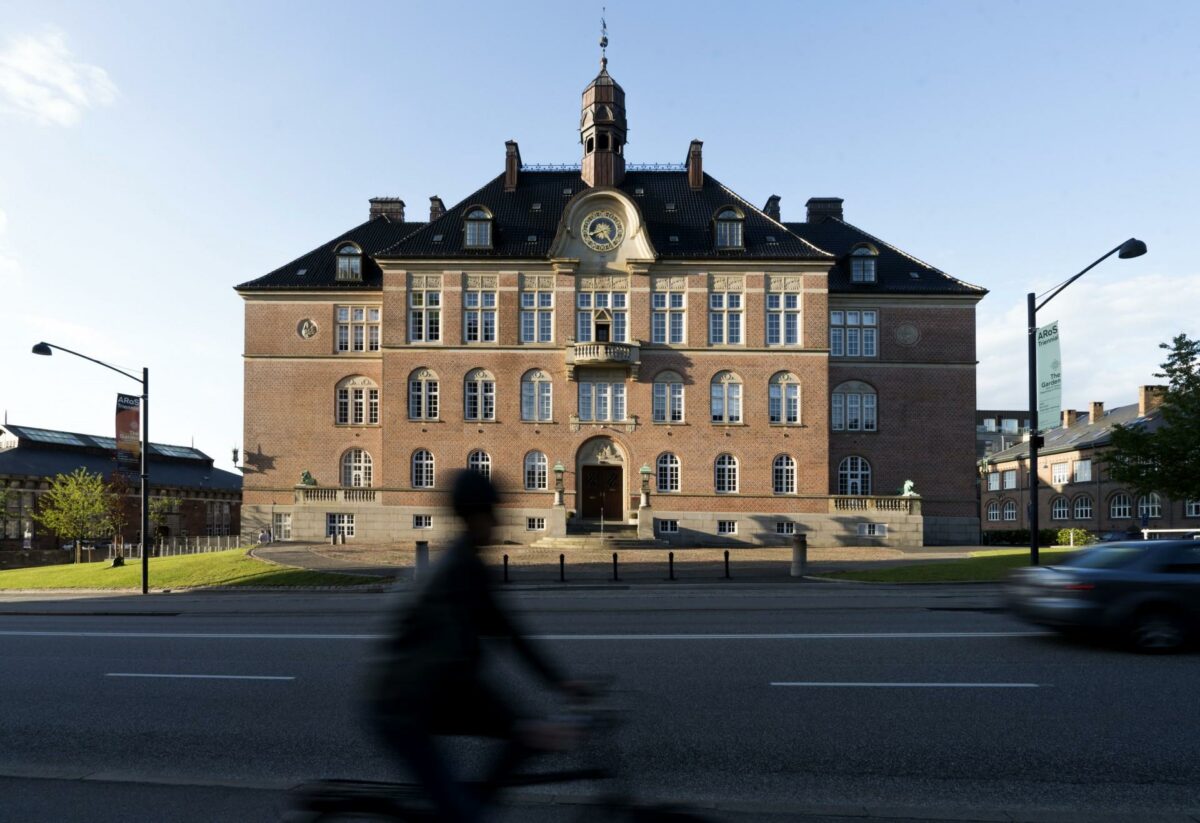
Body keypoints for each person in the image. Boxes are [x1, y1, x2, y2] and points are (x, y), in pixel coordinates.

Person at [367, 470, 586, 822]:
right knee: (462, 813)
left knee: (500, 761)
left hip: (425, 694)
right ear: (475, 516)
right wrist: (519, 724)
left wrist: (562, 683)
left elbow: (508, 633)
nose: (498, 522)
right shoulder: (458, 572)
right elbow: (454, 670)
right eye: (491, 512)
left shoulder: (469, 563)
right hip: (399, 705)